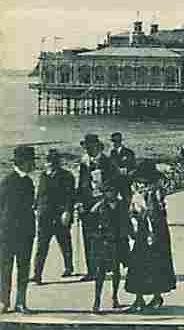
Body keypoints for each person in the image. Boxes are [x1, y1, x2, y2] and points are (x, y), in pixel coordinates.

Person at [125, 161, 177, 313]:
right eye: (139, 181)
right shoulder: (138, 193)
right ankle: (141, 298)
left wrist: (151, 233)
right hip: (143, 230)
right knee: (139, 264)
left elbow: (155, 215)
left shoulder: (154, 193)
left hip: (154, 231)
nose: (140, 183)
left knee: (153, 263)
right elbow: (133, 211)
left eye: (143, 181)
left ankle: (154, 296)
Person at [76, 133, 119, 282]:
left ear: (97, 146)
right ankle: (91, 270)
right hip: (87, 207)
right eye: (85, 147)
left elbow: (114, 184)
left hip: (102, 207)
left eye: (90, 147)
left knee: (103, 239)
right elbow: (81, 185)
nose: (87, 150)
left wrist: (103, 201)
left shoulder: (107, 162)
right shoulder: (84, 163)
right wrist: (79, 203)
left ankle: (105, 267)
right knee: (88, 238)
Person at [0, 145, 37, 314]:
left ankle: (21, 302)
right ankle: (3, 302)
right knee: (5, 268)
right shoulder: (7, 181)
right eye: (31, 161)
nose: (33, 165)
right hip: (7, 234)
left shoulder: (28, 182)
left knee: (23, 268)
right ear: (22, 162)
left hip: (25, 234)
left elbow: (29, 209)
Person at [31, 149, 75, 284]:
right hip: (44, 216)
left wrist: (67, 211)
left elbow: (70, 196)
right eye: (48, 161)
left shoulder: (67, 176)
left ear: (57, 163)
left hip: (60, 216)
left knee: (65, 243)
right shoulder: (43, 175)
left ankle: (68, 267)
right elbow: (40, 193)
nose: (48, 164)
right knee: (41, 246)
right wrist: (35, 205)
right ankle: (37, 274)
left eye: (51, 161)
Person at [88, 181, 128, 312]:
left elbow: (126, 222)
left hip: (118, 242)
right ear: (105, 193)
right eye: (109, 191)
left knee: (116, 271)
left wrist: (131, 234)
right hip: (104, 243)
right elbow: (91, 223)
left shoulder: (122, 205)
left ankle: (115, 298)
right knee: (100, 273)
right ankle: (97, 300)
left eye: (114, 191)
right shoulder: (99, 207)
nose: (113, 194)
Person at [108, 132, 136, 202]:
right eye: (113, 141)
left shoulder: (128, 152)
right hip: (115, 181)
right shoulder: (112, 153)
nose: (114, 144)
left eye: (116, 141)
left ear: (120, 141)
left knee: (127, 199)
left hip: (125, 181)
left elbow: (132, 165)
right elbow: (111, 166)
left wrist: (126, 170)